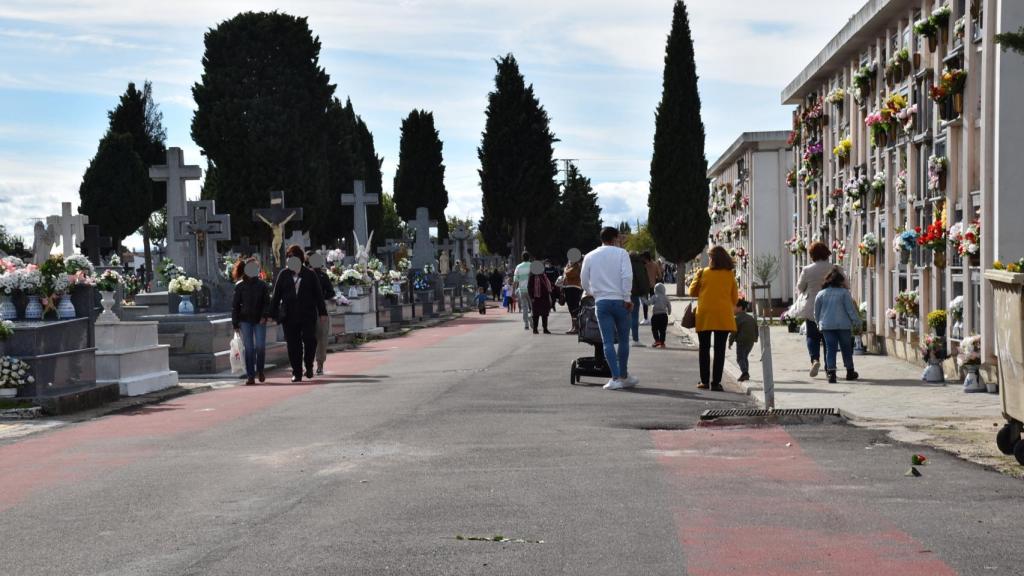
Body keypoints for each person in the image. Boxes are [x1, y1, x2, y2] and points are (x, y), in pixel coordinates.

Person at [581, 226, 636, 390]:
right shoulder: (622, 254)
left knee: (607, 341)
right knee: (624, 340)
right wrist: (627, 297)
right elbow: (627, 276)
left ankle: (615, 377)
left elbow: (584, 279)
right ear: (615, 238)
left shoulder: (590, 256)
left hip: (602, 301)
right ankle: (624, 374)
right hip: (620, 300)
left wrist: (592, 292)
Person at [269, 245, 328, 382]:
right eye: (289, 258)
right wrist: (272, 314)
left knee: (310, 341)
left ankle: (308, 365)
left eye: (293, 257)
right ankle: (296, 371)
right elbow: (276, 296)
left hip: (307, 314)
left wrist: (322, 313)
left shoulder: (310, 274)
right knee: (293, 344)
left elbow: (318, 295)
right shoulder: (284, 275)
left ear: (300, 259)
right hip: (289, 315)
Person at [688, 246, 739, 391]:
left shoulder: (703, 272)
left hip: (705, 314)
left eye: (710, 257)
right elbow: (735, 298)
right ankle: (716, 383)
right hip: (723, 316)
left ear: (712, 259)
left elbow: (692, 291)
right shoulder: (730, 275)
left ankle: (704, 381)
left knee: (704, 349)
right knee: (719, 350)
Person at [797, 242, 841, 378]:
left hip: (812, 307)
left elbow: (800, 287)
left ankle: (815, 360)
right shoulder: (834, 268)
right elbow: (843, 283)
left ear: (812, 255)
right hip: (831, 306)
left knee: (812, 336)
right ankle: (830, 368)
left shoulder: (807, 269)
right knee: (829, 338)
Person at [814, 269, 860, 383]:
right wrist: (857, 322)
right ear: (840, 281)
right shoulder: (844, 293)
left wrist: (818, 323)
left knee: (830, 349)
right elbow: (850, 310)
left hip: (827, 325)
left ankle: (831, 373)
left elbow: (816, 312)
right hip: (843, 325)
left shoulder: (821, 294)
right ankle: (850, 371)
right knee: (846, 348)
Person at [231, 258, 270, 385]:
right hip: (245, 320)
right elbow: (235, 305)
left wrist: (264, 316)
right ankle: (250, 375)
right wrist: (235, 323)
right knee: (249, 348)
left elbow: (266, 303)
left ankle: (260, 370)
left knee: (260, 346)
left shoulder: (263, 285)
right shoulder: (240, 286)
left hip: (259, 320)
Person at [308, 251, 336, 376]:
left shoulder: (324, 276)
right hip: (307, 309)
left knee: (322, 337)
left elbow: (331, 292)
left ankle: (320, 364)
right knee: (307, 338)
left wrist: (321, 296)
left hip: (320, 309)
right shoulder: (305, 275)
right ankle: (308, 364)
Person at [729, 298, 758, 382]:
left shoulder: (737, 318)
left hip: (741, 341)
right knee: (744, 357)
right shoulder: (750, 318)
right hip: (750, 341)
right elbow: (756, 328)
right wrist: (755, 339)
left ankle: (745, 373)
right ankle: (746, 373)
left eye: (734, 307)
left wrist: (730, 342)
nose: (732, 308)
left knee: (740, 358)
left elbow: (733, 331)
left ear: (740, 307)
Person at [629, 252, 651, 347]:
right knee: (634, 317)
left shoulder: (625, 262)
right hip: (634, 294)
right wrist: (644, 292)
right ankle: (635, 339)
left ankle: (626, 338)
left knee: (625, 317)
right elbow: (641, 279)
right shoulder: (638, 264)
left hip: (622, 293)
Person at [562, 258, 583, 335]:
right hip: (568, 288)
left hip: (575, 288)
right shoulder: (569, 265)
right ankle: (573, 326)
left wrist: (565, 270)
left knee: (574, 308)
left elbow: (568, 274)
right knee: (571, 308)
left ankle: (576, 327)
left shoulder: (577, 266)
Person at [528, 266, 553, 334]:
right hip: (536, 298)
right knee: (536, 314)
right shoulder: (532, 277)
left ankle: (545, 328)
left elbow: (548, 286)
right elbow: (529, 288)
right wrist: (531, 297)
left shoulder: (544, 276)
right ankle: (535, 329)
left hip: (544, 298)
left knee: (545, 314)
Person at [648, 282, 672, 348]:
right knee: (663, 330)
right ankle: (662, 343)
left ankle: (657, 340)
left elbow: (649, 303)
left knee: (654, 329)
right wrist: (669, 312)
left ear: (655, 290)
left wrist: (644, 300)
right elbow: (669, 305)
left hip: (655, 316)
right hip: (664, 316)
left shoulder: (654, 297)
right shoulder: (666, 297)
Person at [641, 251, 662, 325]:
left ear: (645, 257)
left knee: (645, 302)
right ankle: (655, 317)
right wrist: (656, 280)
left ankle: (646, 318)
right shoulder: (655, 264)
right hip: (653, 285)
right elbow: (659, 276)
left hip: (644, 286)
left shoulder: (643, 265)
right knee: (654, 302)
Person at [512, 253, 532, 330]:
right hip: (531, 290)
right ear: (529, 258)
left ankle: (526, 324)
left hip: (522, 290)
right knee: (533, 306)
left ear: (522, 258)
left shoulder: (518, 267)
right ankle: (531, 317)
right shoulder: (532, 266)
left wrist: (513, 291)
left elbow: (515, 281)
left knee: (524, 307)